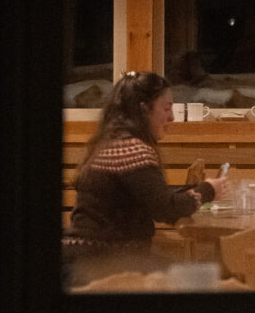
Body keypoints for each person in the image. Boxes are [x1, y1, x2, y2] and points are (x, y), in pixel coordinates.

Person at [62, 70, 228, 288]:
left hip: (86, 257)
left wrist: (197, 189)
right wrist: (208, 190)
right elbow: (165, 209)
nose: (172, 118)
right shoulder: (132, 149)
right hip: (103, 263)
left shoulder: (110, 141)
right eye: (166, 108)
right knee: (200, 281)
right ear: (143, 109)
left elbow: (153, 197)